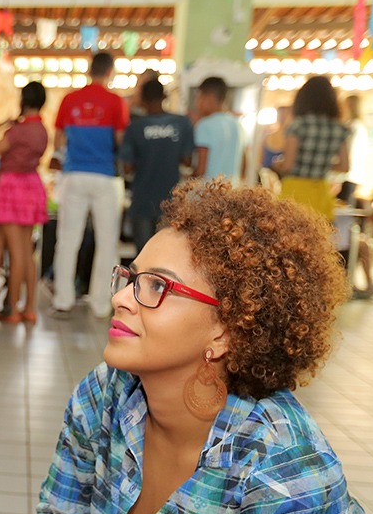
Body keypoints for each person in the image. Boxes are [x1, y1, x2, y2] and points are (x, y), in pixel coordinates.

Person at [19, 181, 367, 514]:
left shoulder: (286, 481)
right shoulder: (105, 393)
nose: (122, 299)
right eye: (131, 278)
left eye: (157, 286)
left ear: (228, 331)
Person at [50, 52, 129, 319]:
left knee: (67, 240)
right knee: (107, 242)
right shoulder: (116, 102)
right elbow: (120, 141)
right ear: (110, 72)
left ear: (89, 69)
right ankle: (100, 304)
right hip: (105, 176)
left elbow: (58, 142)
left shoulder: (69, 100)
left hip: (73, 175)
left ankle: (63, 300)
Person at [0, 81, 49, 324]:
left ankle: (11, 308)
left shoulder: (17, 131)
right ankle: (29, 307)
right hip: (32, 186)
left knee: (16, 251)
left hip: (12, 188)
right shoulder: (42, 130)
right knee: (27, 251)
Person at [119, 79, 194, 253]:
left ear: (143, 100)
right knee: (167, 255)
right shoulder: (182, 123)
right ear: (164, 97)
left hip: (142, 200)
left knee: (144, 255)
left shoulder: (135, 127)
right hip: (172, 201)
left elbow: (127, 167)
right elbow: (187, 161)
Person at [274, 75, 349, 221]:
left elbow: (288, 165)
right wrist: (321, 163)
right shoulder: (339, 128)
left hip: (295, 190)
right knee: (318, 238)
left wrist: (278, 165)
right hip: (321, 191)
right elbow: (344, 166)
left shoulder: (298, 125)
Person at [192, 76, 243, 182]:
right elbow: (244, 165)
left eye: (199, 97)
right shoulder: (237, 124)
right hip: (232, 190)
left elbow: (201, 169)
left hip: (209, 192)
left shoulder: (204, 125)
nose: (197, 103)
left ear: (210, 97)